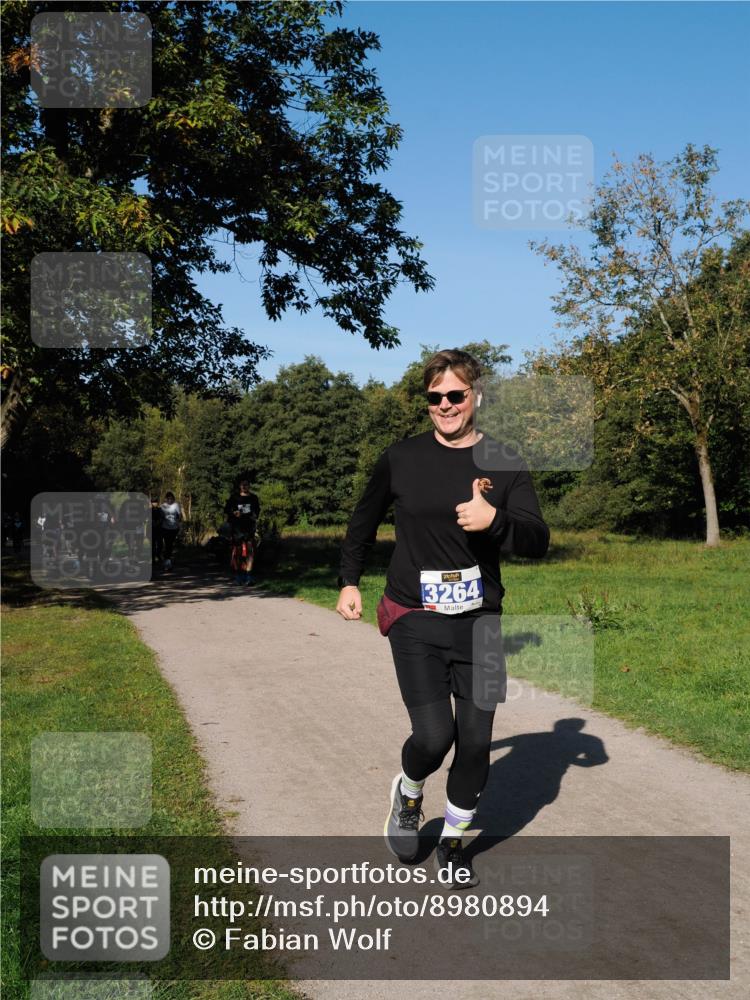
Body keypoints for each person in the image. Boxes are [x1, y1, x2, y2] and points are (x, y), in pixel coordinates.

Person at [336, 349, 549, 888]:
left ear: (476, 396)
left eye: (455, 395)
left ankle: (453, 844)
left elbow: (537, 540)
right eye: (435, 398)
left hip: (480, 621)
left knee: (476, 741)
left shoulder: (503, 460)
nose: (445, 406)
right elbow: (362, 522)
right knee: (434, 738)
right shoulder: (401, 458)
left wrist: (494, 519)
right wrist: (349, 580)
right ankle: (409, 793)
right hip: (415, 614)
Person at [224, 479, 260, 585]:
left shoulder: (253, 498)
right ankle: (239, 576)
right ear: (240, 486)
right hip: (237, 529)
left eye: (246, 484)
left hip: (249, 528)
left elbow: (256, 513)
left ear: (249, 486)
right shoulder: (234, 498)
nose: (244, 486)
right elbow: (226, 510)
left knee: (250, 552)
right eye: (242, 485)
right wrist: (233, 513)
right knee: (238, 553)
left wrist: (245, 515)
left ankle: (249, 576)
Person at [160, 491, 182, 570]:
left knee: (170, 544)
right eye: (168, 498)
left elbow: (180, 516)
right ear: (165, 499)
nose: (169, 500)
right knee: (167, 544)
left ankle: (167, 560)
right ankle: (167, 561)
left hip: (174, 528)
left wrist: (179, 524)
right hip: (165, 528)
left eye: (171, 498)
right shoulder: (162, 506)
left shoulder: (176, 505)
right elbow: (161, 517)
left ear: (173, 498)